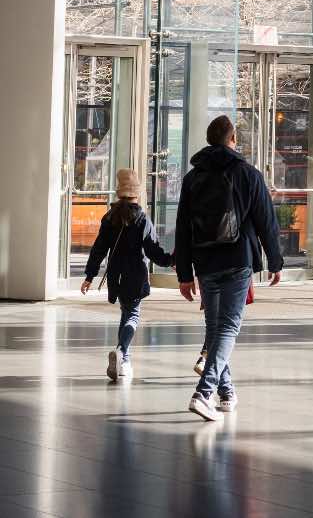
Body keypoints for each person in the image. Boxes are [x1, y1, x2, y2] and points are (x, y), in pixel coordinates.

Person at [174, 115, 283, 421]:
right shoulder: (248, 174)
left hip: (205, 262)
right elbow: (266, 221)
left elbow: (182, 228)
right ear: (233, 140)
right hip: (237, 261)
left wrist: (184, 274)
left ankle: (227, 393)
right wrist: (275, 261)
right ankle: (204, 393)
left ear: (210, 140)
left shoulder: (192, 179)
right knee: (229, 328)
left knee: (216, 328)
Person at [80, 168, 172, 383]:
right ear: (136, 194)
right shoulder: (142, 220)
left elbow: (99, 249)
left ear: (118, 193)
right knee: (132, 315)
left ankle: (124, 361)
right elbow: (152, 251)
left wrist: (89, 276)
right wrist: (172, 260)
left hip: (116, 275)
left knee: (125, 312)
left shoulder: (109, 218)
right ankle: (122, 351)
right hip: (135, 274)